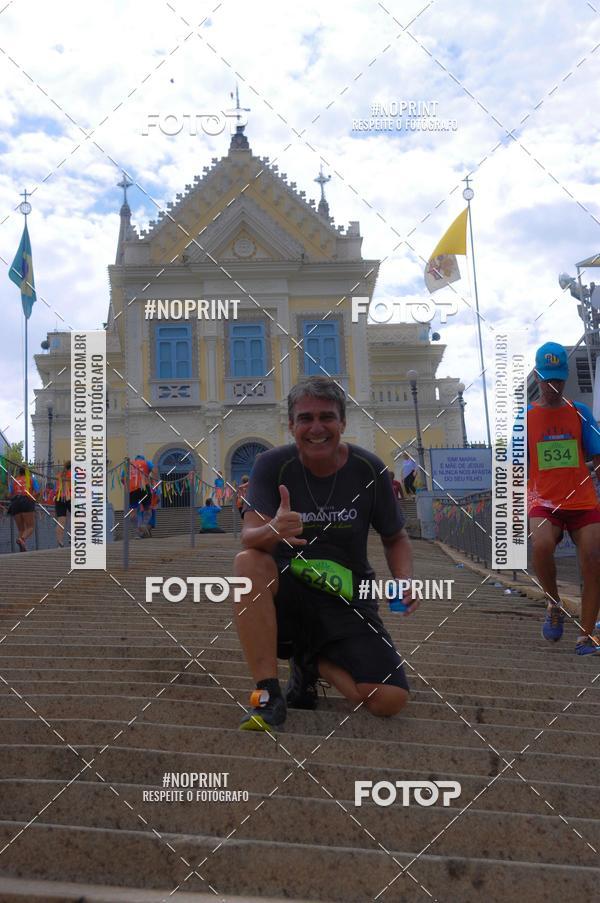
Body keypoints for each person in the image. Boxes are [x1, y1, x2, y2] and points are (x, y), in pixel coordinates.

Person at [234, 376, 417, 732]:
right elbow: (248, 538)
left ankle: (311, 663)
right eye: (305, 418)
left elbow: (395, 537)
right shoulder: (272, 465)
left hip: (347, 598)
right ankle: (267, 695)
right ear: (291, 425)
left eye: (326, 417)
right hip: (289, 594)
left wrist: (405, 579)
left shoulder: (369, 469)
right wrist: (274, 530)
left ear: (342, 423)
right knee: (248, 563)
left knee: (389, 700)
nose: (316, 427)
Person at [528, 342, 600, 654]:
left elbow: (597, 456)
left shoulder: (580, 413)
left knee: (593, 560)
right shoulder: (525, 419)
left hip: (583, 501)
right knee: (542, 545)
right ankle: (554, 604)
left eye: (558, 380)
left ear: (565, 378)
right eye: (547, 380)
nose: (553, 387)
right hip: (544, 501)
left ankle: (586, 635)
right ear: (537, 377)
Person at [8, 466, 39, 552]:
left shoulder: (14, 480)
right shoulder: (31, 479)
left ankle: (22, 548)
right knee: (30, 527)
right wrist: (33, 499)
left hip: (15, 503)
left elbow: (9, 495)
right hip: (26, 501)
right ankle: (22, 539)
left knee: (21, 529)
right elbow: (37, 492)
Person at [128, 455, 153, 538]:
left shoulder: (129, 464)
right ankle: (143, 524)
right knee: (147, 509)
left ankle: (136, 533)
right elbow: (155, 470)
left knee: (132, 512)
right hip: (144, 487)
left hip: (132, 489)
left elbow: (122, 478)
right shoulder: (147, 463)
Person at [55, 460, 71, 547]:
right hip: (70, 497)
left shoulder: (60, 475)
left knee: (61, 521)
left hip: (59, 498)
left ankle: (60, 542)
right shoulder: (73, 474)